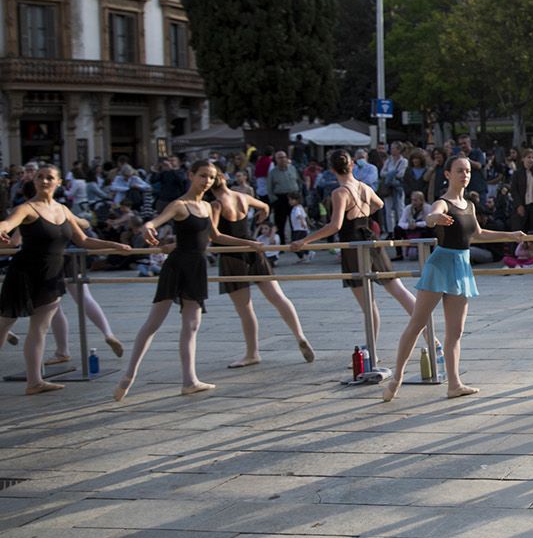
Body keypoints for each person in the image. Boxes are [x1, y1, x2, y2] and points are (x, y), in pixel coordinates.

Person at [112, 161, 269, 401]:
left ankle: (189, 381)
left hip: (197, 267)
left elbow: (215, 237)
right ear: (190, 175)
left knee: (192, 325)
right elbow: (155, 221)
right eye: (202, 176)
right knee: (154, 322)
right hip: (177, 267)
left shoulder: (207, 206)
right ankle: (129, 375)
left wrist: (250, 244)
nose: (206, 181)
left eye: (210, 177)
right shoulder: (179, 205)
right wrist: (148, 227)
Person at [381, 156, 527, 402]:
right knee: (417, 324)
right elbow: (432, 216)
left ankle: (455, 384)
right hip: (440, 265)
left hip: (461, 266)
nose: (465, 175)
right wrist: (433, 219)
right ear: (447, 174)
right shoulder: (443, 202)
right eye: (460, 171)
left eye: (468, 171)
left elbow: (478, 234)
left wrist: (510, 234)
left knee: (455, 332)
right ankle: (397, 377)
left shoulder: (469, 204)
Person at [0, 165, 131, 393]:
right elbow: (9, 224)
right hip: (24, 274)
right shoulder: (27, 208)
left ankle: (34, 382)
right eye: (40, 177)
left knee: (39, 329)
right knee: (2, 327)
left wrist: (115, 245)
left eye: (49, 177)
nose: (43, 181)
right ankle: (35, 380)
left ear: (59, 182)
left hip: (52, 276)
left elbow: (83, 240)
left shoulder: (63, 210)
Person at [292, 149, 419, 365]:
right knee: (398, 289)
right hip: (370, 240)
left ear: (332, 169)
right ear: (352, 165)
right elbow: (378, 204)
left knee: (368, 304)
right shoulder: (364, 187)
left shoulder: (340, 192)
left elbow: (335, 226)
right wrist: (365, 211)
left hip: (353, 246)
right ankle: (428, 334)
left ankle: (372, 351)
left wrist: (305, 241)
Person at [209, 169, 314, 369]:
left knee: (245, 309)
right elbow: (265, 206)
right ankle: (299, 335)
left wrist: (245, 242)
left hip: (233, 255)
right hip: (253, 249)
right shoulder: (242, 196)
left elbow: (215, 236)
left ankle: (252, 353)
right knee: (278, 297)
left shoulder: (216, 204)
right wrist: (262, 215)